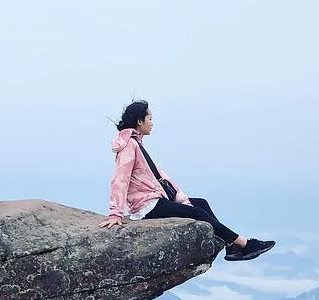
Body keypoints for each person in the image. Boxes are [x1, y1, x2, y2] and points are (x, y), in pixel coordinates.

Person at [99, 100, 275, 261]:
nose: (152, 123)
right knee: (199, 214)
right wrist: (116, 213)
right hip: (147, 205)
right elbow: (120, 179)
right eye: (149, 119)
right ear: (140, 121)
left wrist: (181, 198)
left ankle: (231, 246)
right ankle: (245, 244)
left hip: (154, 199)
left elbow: (158, 176)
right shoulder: (129, 145)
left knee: (201, 204)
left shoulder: (136, 143)